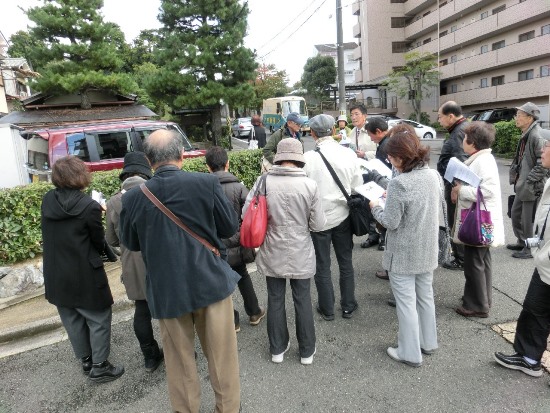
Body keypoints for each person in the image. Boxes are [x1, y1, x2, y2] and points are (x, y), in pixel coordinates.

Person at [119, 130, 241, 412]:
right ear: (182, 156)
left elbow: (131, 242)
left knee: (179, 361)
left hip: (166, 289)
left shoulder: (134, 197)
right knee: (221, 357)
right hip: (210, 282)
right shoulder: (206, 183)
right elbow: (228, 228)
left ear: (149, 161)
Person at [41, 156, 124, 383]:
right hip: (84, 271)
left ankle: (87, 360)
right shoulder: (89, 206)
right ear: (81, 176)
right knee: (98, 317)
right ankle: (100, 366)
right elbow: (98, 241)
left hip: (56, 273)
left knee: (72, 317)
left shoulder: (48, 200)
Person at [244, 138, 326, 364]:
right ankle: (307, 351)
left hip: (272, 247)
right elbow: (319, 225)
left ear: (279, 157)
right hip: (301, 248)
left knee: (275, 298)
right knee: (303, 299)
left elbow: (246, 214)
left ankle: (277, 349)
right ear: (299, 159)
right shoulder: (310, 185)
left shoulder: (264, 182)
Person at [370, 129, 439, 367]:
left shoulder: (400, 183)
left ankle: (409, 352)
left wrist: (375, 206)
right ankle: (428, 343)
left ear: (401, 157)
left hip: (403, 253)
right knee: (425, 298)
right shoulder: (432, 175)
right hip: (427, 248)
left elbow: (390, 222)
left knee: (407, 304)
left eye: (391, 157)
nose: (390, 160)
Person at [493, 138, 550, 379]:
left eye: (547, 147)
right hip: (545, 261)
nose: (543, 151)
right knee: (534, 309)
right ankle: (528, 357)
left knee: (537, 308)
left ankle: (529, 357)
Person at [105, 152, 164, 372]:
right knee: (169, 307)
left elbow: (111, 239)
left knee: (142, 310)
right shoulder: (155, 192)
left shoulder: (113, 201)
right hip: (159, 256)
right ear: (146, 172)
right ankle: (180, 351)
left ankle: (150, 357)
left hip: (132, 262)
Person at [304, 114, 363, 321]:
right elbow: (357, 185)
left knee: (322, 264)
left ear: (312, 134)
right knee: (345, 261)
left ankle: (327, 308)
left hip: (318, 219)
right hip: (343, 216)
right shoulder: (348, 154)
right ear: (333, 131)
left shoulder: (308, 159)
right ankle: (348, 305)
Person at [205, 146, 266, 332]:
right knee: (243, 276)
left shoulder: (203, 188)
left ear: (208, 167)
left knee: (223, 282)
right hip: (238, 242)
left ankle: (233, 321)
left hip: (215, 245)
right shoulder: (239, 187)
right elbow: (249, 215)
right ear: (227, 163)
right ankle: (254, 312)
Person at [451, 122, 505, 318]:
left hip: (478, 220)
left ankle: (477, 305)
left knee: (474, 262)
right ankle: (482, 299)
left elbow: (488, 191)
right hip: (481, 219)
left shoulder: (483, 161)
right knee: (481, 261)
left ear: (472, 142)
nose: (462, 141)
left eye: (465, 138)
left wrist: (461, 190)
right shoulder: (481, 158)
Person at [507, 102, 548, 259]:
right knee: (516, 214)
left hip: (531, 186)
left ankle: (530, 248)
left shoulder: (536, 136)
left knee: (529, 219)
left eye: (519, 115)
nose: (516, 118)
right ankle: (522, 241)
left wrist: (530, 180)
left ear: (530, 117)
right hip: (523, 184)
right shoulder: (526, 134)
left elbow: (543, 164)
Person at [437, 101, 469, 271]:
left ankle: (460, 259)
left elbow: (461, 163)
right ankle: (460, 256)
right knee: (454, 220)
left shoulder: (459, 132)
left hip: (455, 186)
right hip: (453, 183)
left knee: (455, 221)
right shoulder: (459, 129)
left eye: (440, 117)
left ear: (451, 116)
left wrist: (457, 188)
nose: (439, 120)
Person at [360, 117, 392, 250]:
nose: (371, 138)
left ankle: (384, 239)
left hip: (384, 184)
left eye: (370, 135)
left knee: (382, 210)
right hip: (382, 182)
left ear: (378, 131)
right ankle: (377, 237)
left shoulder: (388, 145)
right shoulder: (387, 142)